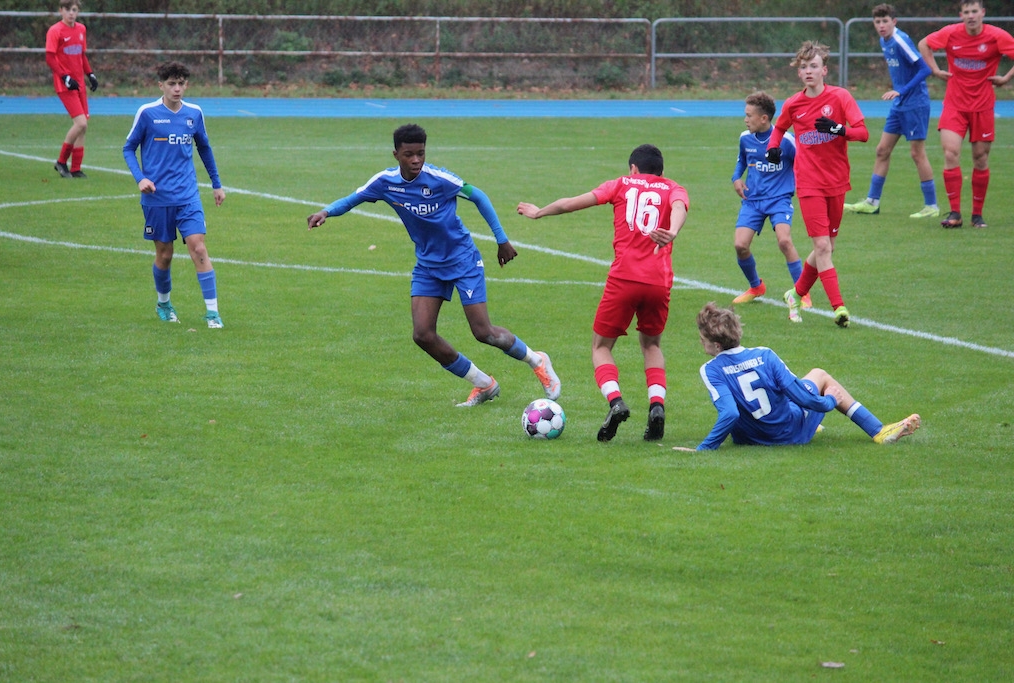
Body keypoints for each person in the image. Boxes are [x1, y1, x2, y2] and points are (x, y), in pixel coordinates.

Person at [307, 123, 560, 408]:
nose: (416, 160)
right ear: (396, 155)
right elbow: (353, 199)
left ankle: (537, 360)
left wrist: (501, 240)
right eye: (409, 155)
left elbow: (478, 196)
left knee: (483, 332)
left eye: (421, 153)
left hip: (463, 260)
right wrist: (326, 211)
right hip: (428, 266)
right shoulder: (384, 182)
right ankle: (483, 384)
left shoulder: (440, 179)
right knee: (423, 335)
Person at [517, 144, 688, 442]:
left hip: (623, 278)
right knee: (651, 344)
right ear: (661, 171)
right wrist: (672, 231)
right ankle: (656, 405)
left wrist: (539, 212)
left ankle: (616, 401)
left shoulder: (620, 184)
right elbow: (678, 207)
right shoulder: (674, 188)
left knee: (601, 346)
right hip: (659, 282)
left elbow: (571, 203)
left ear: (633, 168)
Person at [671, 303, 921, 452]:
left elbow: (730, 414)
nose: (701, 342)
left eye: (702, 339)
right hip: (790, 434)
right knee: (819, 375)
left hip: (751, 440)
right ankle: (877, 430)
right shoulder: (765, 355)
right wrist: (830, 402)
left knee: (788, 396)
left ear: (716, 345)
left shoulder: (711, 369)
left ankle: (814, 424)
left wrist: (703, 449)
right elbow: (803, 397)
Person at [765, 40, 868, 327]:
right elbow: (779, 128)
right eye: (803, 67)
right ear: (799, 73)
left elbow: (863, 133)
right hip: (808, 183)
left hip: (837, 181)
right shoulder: (793, 104)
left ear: (824, 70)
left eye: (813, 66)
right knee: (822, 246)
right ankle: (839, 308)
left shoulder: (840, 97)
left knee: (827, 247)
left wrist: (839, 129)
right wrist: (773, 148)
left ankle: (795, 293)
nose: (808, 71)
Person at [122, 62, 226, 329]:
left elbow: (204, 148)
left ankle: (212, 313)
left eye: (181, 83)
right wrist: (141, 178)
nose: (177, 88)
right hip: (157, 198)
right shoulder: (147, 113)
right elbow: (128, 148)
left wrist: (216, 184)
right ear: (161, 85)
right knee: (165, 254)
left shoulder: (194, 113)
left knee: (199, 248)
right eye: (171, 84)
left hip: (188, 195)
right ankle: (164, 304)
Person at [918, 0, 1014, 229]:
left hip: (983, 106)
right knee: (950, 153)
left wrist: (1006, 78)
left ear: (982, 13)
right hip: (955, 105)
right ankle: (955, 213)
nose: (971, 16)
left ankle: (977, 215)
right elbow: (924, 44)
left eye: (974, 11)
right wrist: (935, 70)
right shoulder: (951, 33)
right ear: (961, 15)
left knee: (980, 158)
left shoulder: (996, 36)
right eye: (967, 12)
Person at [845, 4, 939, 219]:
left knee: (917, 153)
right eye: (877, 22)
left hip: (915, 104)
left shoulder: (900, 40)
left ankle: (932, 206)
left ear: (893, 22)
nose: (881, 26)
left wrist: (901, 90)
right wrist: (899, 92)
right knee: (882, 150)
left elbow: (925, 69)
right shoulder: (883, 41)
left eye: (885, 21)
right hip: (900, 104)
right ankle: (872, 202)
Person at [730, 91, 812, 310]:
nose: (745, 119)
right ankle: (756, 287)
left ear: (764, 118)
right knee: (740, 245)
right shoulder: (745, 138)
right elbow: (741, 161)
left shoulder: (786, 141)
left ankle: (802, 292)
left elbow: (803, 163)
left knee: (784, 241)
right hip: (753, 200)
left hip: (779, 199)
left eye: (749, 115)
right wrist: (736, 178)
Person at [45, 0, 98, 179]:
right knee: (80, 123)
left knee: (83, 127)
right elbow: (50, 58)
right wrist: (65, 77)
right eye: (67, 9)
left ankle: (76, 169)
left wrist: (90, 74)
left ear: (78, 11)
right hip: (65, 84)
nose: (71, 13)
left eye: (74, 10)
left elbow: (81, 55)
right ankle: (61, 161)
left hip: (79, 84)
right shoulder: (55, 31)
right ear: (61, 11)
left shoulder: (81, 29)